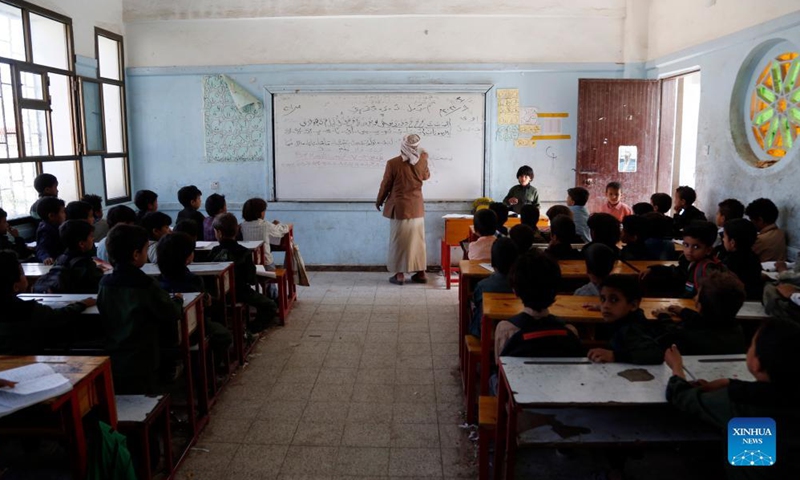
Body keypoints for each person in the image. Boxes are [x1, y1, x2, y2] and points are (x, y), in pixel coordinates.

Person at [665, 319, 800, 480]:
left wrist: (677, 367)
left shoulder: (738, 403)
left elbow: (680, 396)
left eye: (751, 345)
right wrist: (730, 383)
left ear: (756, 363)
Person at [98, 224, 182, 393]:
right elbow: (170, 312)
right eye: (145, 250)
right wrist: (178, 301)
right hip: (144, 355)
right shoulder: (145, 284)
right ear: (136, 255)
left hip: (113, 351)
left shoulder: (104, 283)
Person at [494, 249, 583, 364]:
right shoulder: (570, 332)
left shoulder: (506, 329)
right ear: (556, 290)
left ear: (515, 291)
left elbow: (500, 367)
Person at [157, 232, 233, 365]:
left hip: (162, 335)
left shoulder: (157, 281)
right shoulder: (193, 280)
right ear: (188, 258)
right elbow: (205, 306)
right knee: (224, 335)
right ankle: (212, 369)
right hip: (193, 331)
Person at [0, 251, 93, 355]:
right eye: (22, 273)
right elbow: (60, 316)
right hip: (27, 361)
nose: (24, 276)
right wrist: (82, 304)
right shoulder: (28, 309)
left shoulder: (18, 305)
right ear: (15, 286)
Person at [376, 134, 431, 285]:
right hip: (417, 208)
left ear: (403, 145)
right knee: (418, 241)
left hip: (399, 208)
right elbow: (426, 176)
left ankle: (400, 275)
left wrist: (379, 200)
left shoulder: (393, 163)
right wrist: (424, 159)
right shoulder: (422, 160)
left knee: (399, 241)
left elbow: (386, 185)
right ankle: (421, 273)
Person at [210, 213, 278, 332]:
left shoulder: (214, 252)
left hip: (218, 294)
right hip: (241, 292)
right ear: (237, 230)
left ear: (218, 233)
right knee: (270, 306)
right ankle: (251, 330)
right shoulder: (244, 252)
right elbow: (251, 279)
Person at [654, 271, 746, 355]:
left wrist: (664, 317)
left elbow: (673, 333)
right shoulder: (736, 329)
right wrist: (683, 311)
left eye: (697, 294)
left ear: (700, 305)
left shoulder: (690, 338)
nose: (694, 298)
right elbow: (705, 321)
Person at [586, 275, 663, 364]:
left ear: (633, 305)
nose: (605, 306)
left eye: (614, 300)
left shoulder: (632, 329)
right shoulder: (626, 316)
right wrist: (601, 307)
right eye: (603, 299)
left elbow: (656, 354)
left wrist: (614, 356)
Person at [646, 221, 721, 298]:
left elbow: (700, 297)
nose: (689, 251)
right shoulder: (687, 261)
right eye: (686, 245)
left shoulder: (707, 270)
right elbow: (677, 272)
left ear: (708, 250)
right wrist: (654, 270)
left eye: (696, 247)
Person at [33, 220, 103, 294]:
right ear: (82, 244)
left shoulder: (60, 258)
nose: (93, 238)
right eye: (91, 236)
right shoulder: (86, 264)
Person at [469, 237, 517, 337]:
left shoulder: (483, 285)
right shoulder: (523, 284)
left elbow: (476, 301)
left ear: (492, 263)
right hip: (516, 332)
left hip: (486, 333)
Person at [719, 218, 763, 300]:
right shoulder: (753, 257)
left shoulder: (730, 261)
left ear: (732, 243)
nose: (723, 239)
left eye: (724, 237)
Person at [240, 197, 290, 269]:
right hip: (266, 264)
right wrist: (279, 224)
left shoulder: (242, 226)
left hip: (249, 264)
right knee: (269, 262)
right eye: (264, 211)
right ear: (260, 213)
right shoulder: (265, 224)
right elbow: (282, 230)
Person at [745, 198, 787, 262]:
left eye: (751, 220)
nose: (751, 223)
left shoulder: (759, 240)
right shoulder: (780, 233)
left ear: (760, 220)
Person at [35, 197, 66, 265]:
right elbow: (41, 248)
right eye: (62, 212)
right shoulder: (45, 229)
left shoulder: (58, 226)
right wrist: (46, 257)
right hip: (53, 263)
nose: (65, 215)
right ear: (51, 216)